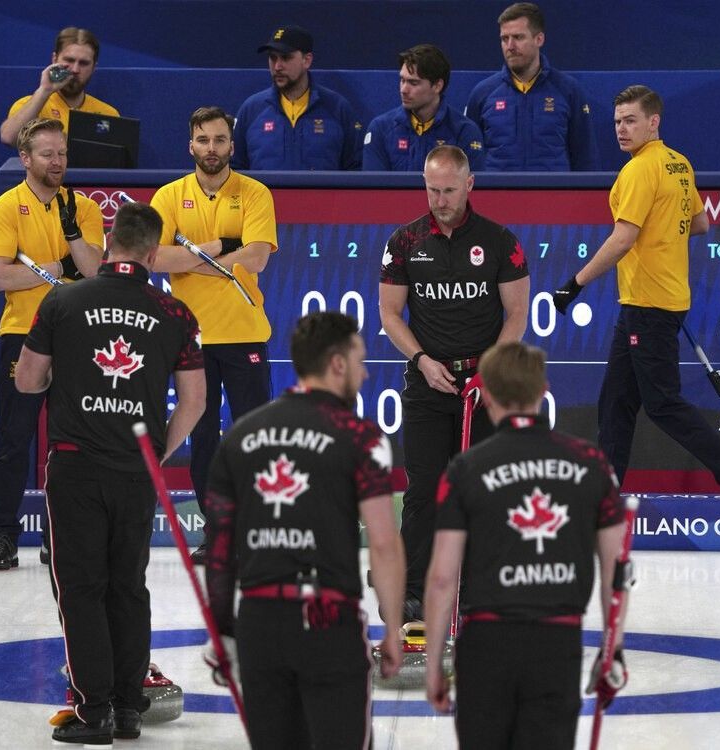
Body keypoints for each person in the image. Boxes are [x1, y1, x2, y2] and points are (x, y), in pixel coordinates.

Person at [13, 200, 205, 744]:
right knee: (128, 586)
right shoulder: (175, 314)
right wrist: (159, 452)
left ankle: (91, 711)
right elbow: (195, 400)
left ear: (109, 240)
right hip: (135, 469)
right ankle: (128, 709)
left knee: (81, 589)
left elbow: (27, 381)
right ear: (151, 252)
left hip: (75, 467)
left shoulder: (63, 299)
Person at [553, 84, 720, 495]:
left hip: (649, 304)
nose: (621, 129)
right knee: (615, 402)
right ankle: (607, 490)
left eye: (631, 120)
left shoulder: (638, 170)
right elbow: (702, 224)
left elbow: (623, 238)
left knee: (663, 404)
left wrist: (574, 285)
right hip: (656, 301)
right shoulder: (679, 163)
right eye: (617, 121)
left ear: (654, 121)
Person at [204, 311, 405, 749]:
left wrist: (222, 631)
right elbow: (385, 544)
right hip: (328, 620)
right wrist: (392, 628)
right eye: (360, 360)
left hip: (259, 622)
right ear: (337, 364)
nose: (365, 372)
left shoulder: (241, 435)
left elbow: (220, 550)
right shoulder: (360, 436)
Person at [423, 341, 630, 749]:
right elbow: (616, 573)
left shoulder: (465, 469)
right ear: (543, 389)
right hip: (557, 642)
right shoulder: (591, 463)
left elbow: (443, 577)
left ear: (489, 396)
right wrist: (613, 651)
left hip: (486, 642)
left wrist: (434, 666)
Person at [379, 144, 530, 621]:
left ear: (469, 185)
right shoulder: (405, 241)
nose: (439, 199)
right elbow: (389, 313)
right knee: (423, 488)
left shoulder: (501, 240)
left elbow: (518, 313)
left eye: (448, 190)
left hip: (482, 388)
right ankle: (411, 592)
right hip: (428, 384)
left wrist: (490, 371)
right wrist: (421, 360)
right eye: (431, 189)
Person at [150, 106, 278, 562]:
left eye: (220, 140)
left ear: (231, 144)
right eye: (203, 140)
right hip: (190, 336)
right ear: (191, 144)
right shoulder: (168, 196)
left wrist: (194, 259)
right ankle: (216, 533)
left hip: (244, 332)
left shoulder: (256, 193)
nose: (211, 148)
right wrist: (220, 250)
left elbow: (258, 257)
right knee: (203, 439)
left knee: (252, 437)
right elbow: (154, 259)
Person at [0, 117, 104, 571]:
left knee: (71, 443)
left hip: (75, 334)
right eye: (48, 154)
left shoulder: (85, 208)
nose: (57, 162)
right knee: (14, 438)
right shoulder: (6, 208)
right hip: (23, 334)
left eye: (63, 153)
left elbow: (93, 271)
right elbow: (1, 276)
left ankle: (61, 538)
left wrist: (74, 237)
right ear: (26, 159)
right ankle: (3, 538)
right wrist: (58, 263)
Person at [465, 3, 598, 171]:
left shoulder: (568, 90)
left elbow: (585, 157)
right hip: (498, 195)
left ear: (539, 39)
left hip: (554, 194)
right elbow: (469, 160)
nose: (510, 46)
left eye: (518, 37)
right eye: (504, 39)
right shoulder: (482, 93)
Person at [232, 25, 363, 170]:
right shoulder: (251, 110)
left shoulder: (337, 108)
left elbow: (355, 169)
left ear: (306, 60)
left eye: (286, 57)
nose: (277, 66)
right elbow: (235, 169)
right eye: (272, 58)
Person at [362, 44, 485, 172]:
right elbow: (373, 189)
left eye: (413, 83)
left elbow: (472, 188)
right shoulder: (380, 129)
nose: (403, 90)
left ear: (437, 86)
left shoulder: (464, 132)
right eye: (402, 80)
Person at [0, 27, 119, 147]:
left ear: (94, 67)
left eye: (84, 63)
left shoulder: (108, 114)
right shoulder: (30, 107)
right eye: (69, 60)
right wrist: (45, 90)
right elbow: (9, 138)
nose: (75, 69)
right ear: (54, 59)